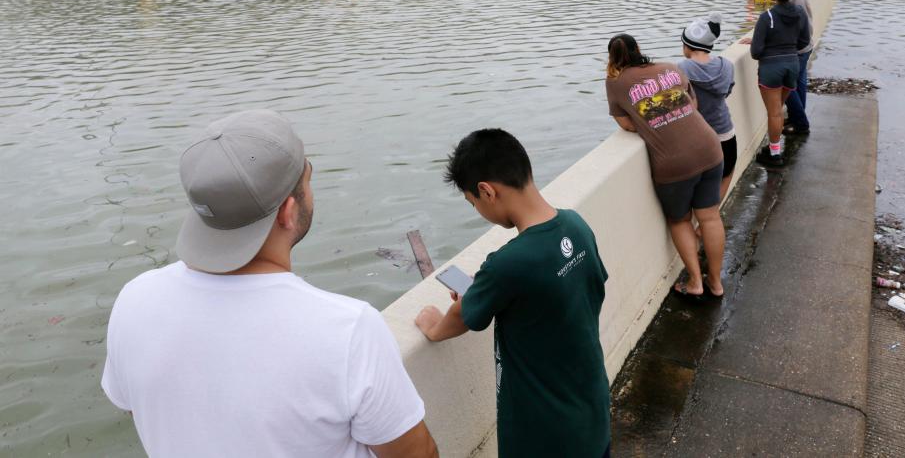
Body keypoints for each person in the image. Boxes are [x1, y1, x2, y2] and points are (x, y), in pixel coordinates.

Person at [102, 110, 437, 458]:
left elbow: (133, 404)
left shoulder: (134, 299)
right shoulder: (347, 330)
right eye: (308, 179)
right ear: (289, 211)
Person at [414, 129, 610, 458]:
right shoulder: (576, 225)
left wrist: (432, 326)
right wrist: (494, 287)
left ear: (486, 191)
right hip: (592, 411)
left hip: (542, 433)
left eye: (472, 201)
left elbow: (464, 315)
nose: (477, 208)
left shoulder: (506, 263)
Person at [605, 34, 725, 299]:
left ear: (612, 58)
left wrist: (650, 120)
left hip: (674, 164)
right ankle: (716, 283)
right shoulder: (669, 67)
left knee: (680, 220)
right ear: (639, 49)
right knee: (710, 217)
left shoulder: (615, 82)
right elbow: (693, 103)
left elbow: (625, 124)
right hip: (709, 147)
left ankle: (695, 282)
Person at [740, 0, 811, 167]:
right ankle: (774, 150)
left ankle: (774, 155)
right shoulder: (800, 13)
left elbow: (756, 52)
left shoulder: (767, 17)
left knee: (774, 113)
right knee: (778, 110)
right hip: (793, 66)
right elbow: (805, 40)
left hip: (771, 69)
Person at [678, 12, 737, 200]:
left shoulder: (682, 68)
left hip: (699, 137)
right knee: (727, 173)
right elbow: (726, 91)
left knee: (700, 187)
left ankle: (703, 221)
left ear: (688, 46)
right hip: (726, 133)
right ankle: (714, 215)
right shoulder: (726, 66)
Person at [775, 0, 815, 135]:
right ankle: (796, 118)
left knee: (787, 86)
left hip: (797, 48)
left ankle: (801, 123)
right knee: (798, 83)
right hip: (804, 47)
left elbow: (800, 24)